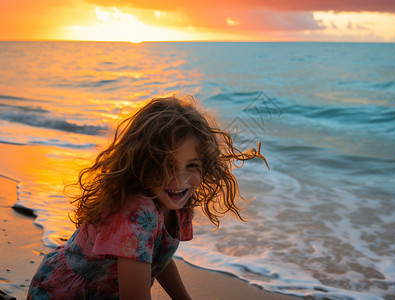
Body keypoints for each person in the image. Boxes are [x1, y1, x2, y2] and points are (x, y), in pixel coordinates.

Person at [27, 96, 269, 299]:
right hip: (64, 293)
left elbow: (157, 259)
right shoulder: (135, 214)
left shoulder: (177, 203)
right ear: (141, 162)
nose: (180, 180)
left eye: (192, 165)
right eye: (166, 165)